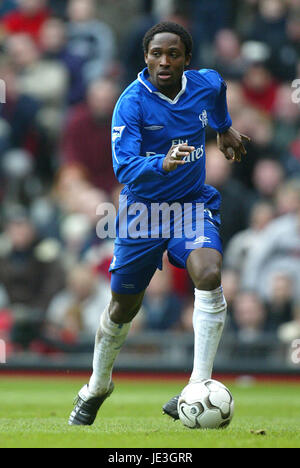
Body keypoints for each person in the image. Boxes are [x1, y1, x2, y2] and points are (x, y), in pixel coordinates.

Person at [69, 21, 250, 426]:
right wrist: (161, 162)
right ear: (146, 57)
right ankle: (97, 386)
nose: (164, 61)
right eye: (156, 54)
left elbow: (218, 93)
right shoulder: (130, 103)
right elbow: (123, 168)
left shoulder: (206, 82)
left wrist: (223, 129)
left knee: (210, 271)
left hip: (190, 205)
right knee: (122, 308)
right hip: (143, 213)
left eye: (173, 54)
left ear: (187, 59)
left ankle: (197, 384)